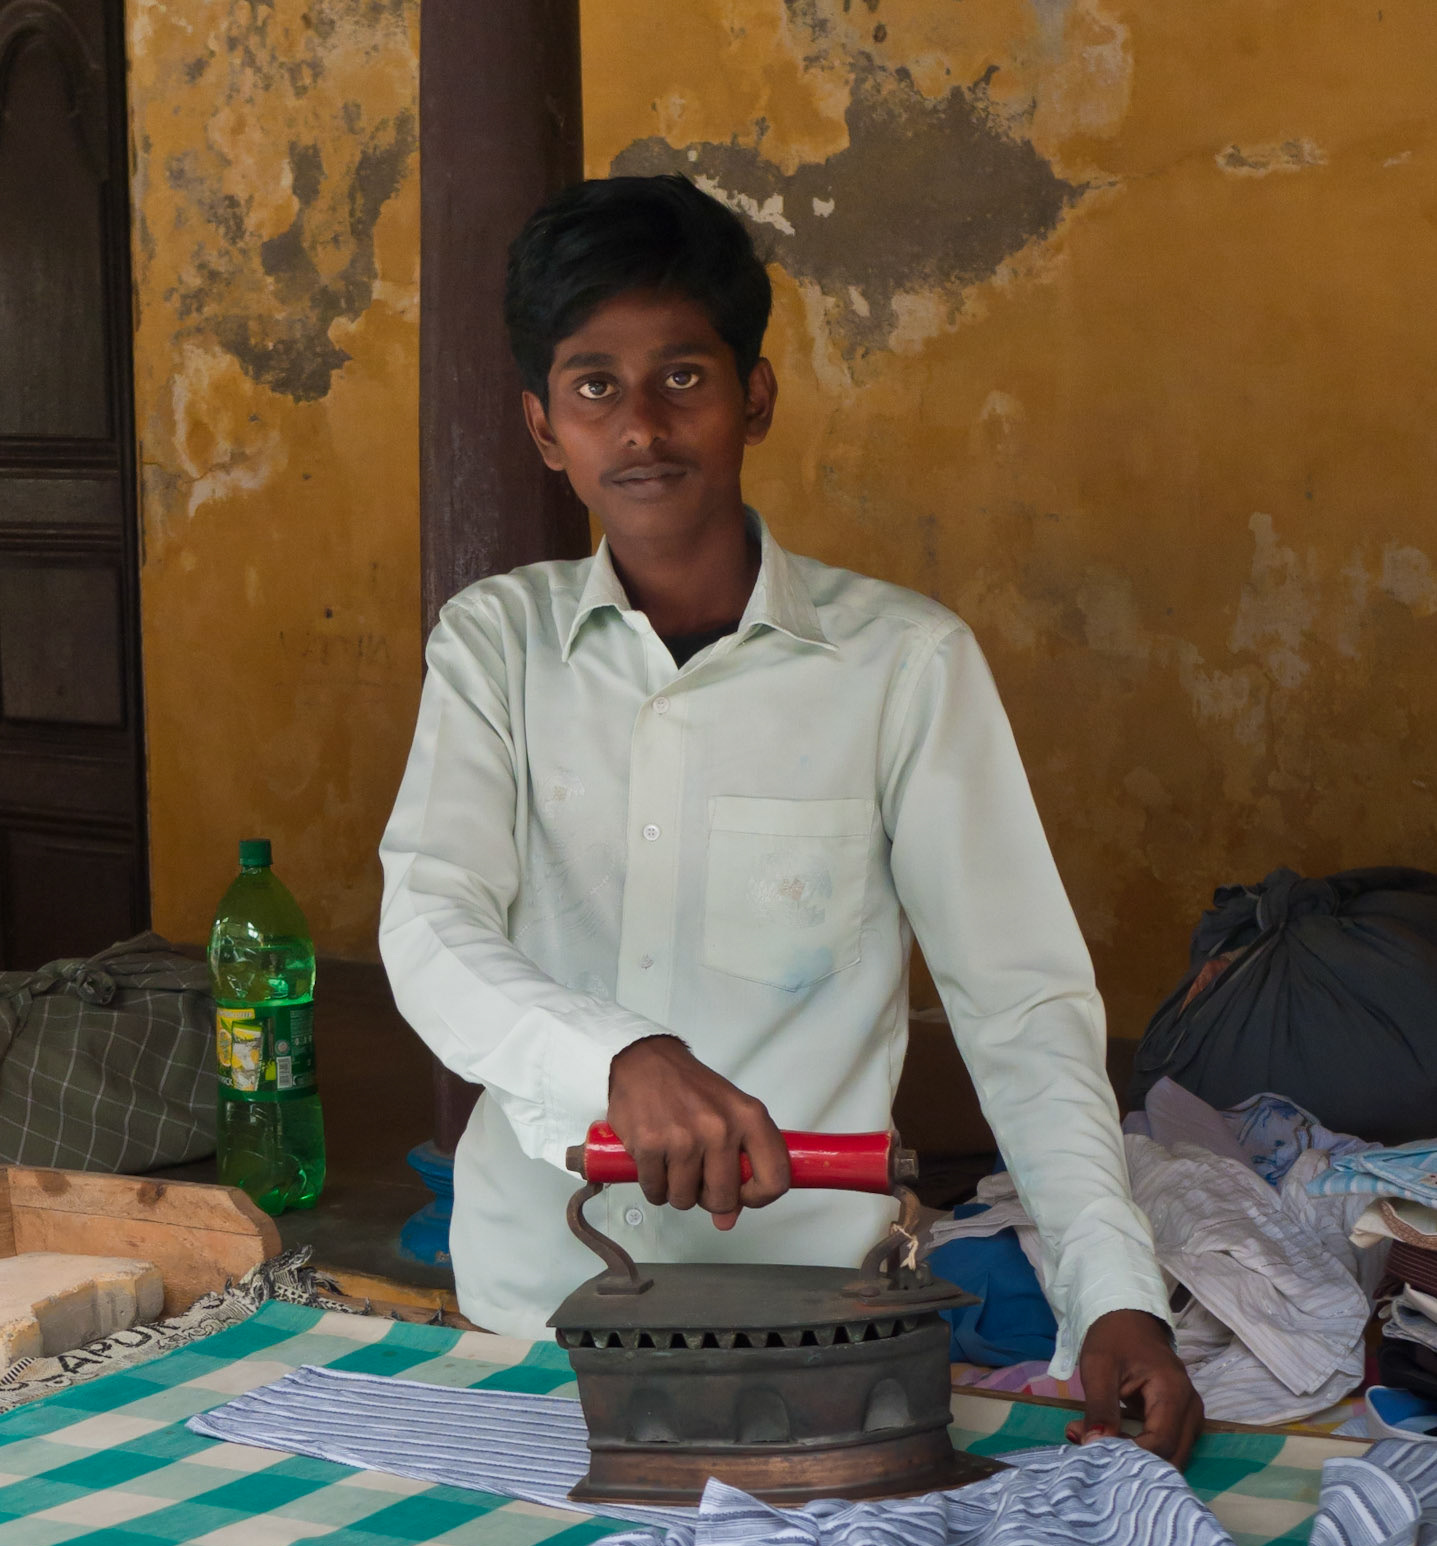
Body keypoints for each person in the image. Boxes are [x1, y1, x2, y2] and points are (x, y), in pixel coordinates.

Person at [380, 175, 1202, 1465]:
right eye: (594, 386)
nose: (642, 425)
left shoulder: (903, 667)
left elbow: (1019, 1003)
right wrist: (617, 1058)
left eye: (684, 378)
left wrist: (1113, 1295)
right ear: (544, 428)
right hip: (532, 1307)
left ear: (755, 396)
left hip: (815, 1332)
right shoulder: (497, 648)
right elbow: (429, 923)